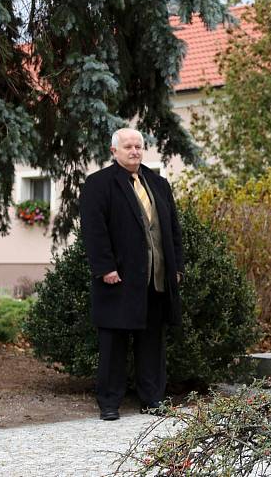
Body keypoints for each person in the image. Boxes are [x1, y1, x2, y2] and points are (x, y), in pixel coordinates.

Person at [79, 128, 183, 421]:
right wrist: (105, 268)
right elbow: (94, 230)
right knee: (114, 342)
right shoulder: (99, 184)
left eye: (138, 146)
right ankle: (109, 403)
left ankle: (152, 399)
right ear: (114, 151)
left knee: (152, 341)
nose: (135, 151)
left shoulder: (158, 183)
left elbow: (173, 229)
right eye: (128, 146)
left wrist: (176, 268)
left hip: (156, 277)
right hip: (119, 277)